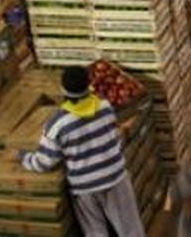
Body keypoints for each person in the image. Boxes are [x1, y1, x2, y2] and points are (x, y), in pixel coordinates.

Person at [20, 66, 144, 237]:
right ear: (89, 85)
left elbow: (44, 162)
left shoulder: (58, 124)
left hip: (86, 187)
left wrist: (24, 158)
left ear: (63, 89)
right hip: (115, 177)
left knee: (95, 232)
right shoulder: (105, 107)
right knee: (130, 229)